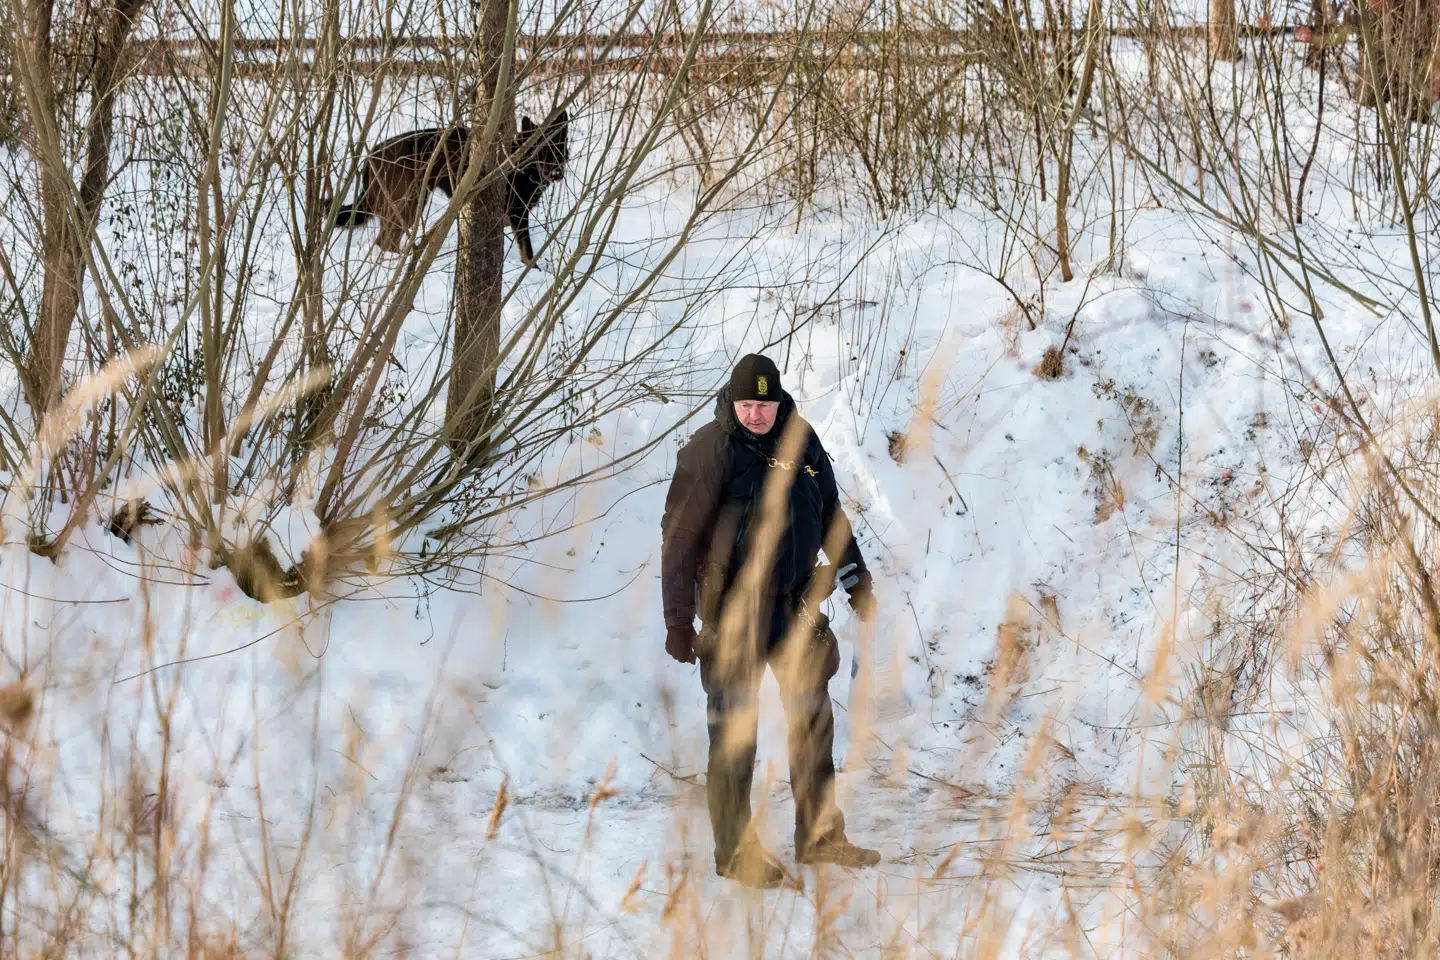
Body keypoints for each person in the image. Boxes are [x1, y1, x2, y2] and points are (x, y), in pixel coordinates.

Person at [661, 353, 881, 888]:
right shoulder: (708, 449)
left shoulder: (800, 438)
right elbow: (679, 538)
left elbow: (830, 512)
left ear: (778, 400)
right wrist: (678, 620)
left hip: (795, 605)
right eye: (746, 405)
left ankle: (822, 837)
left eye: (764, 404)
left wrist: (856, 578)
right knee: (734, 734)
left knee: (812, 722)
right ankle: (734, 852)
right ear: (732, 404)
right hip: (731, 612)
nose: (756, 414)